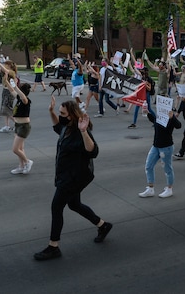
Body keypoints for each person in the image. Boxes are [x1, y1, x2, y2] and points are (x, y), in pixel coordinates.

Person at [34, 97, 112, 261]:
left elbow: (93, 152)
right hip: (66, 175)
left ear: (71, 115)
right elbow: (57, 127)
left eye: (62, 113)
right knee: (74, 204)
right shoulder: (67, 127)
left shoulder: (78, 131)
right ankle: (103, 225)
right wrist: (50, 112)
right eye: (59, 113)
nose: (60, 115)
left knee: (57, 207)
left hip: (74, 177)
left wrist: (84, 131)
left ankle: (53, 246)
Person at [138, 108, 181, 198]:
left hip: (166, 147)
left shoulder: (170, 116)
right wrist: (148, 113)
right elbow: (154, 120)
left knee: (167, 168)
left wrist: (172, 117)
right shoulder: (159, 115)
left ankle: (169, 189)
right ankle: (150, 188)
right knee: (148, 166)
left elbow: (178, 125)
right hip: (156, 146)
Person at [0, 62, 33, 175]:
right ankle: (21, 166)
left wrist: (15, 86)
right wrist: (6, 79)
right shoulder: (19, 98)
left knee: (15, 149)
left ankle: (28, 161)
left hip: (24, 127)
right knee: (20, 148)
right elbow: (10, 89)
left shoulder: (25, 100)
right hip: (18, 125)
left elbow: (20, 94)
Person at [0, 60, 18, 133]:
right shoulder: (5, 71)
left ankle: (18, 123)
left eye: (5, 64)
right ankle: (7, 125)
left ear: (9, 65)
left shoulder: (11, 72)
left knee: (7, 109)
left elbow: (5, 70)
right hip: (5, 90)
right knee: (5, 110)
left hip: (10, 92)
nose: (4, 65)